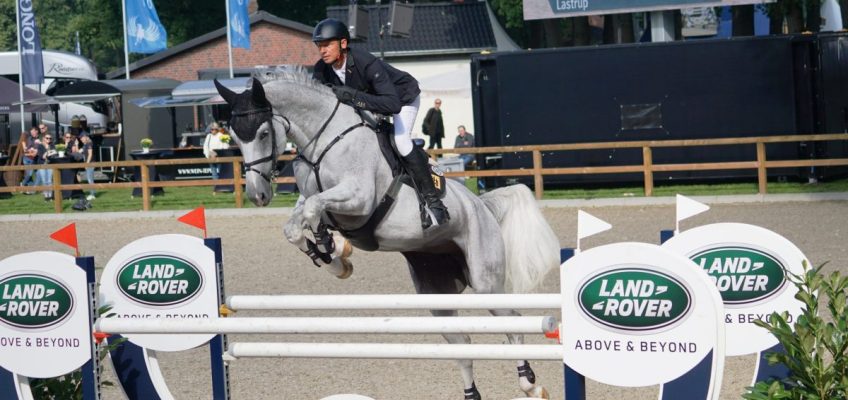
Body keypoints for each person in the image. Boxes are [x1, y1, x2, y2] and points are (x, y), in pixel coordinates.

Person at [311, 18, 449, 227]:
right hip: (371, 103)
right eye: (319, 46)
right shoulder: (321, 70)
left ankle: (433, 200)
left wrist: (353, 96)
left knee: (401, 142)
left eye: (327, 44)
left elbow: (392, 104)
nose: (322, 50)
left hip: (403, 98)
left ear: (343, 44)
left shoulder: (365, 62)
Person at [19, 127, 41, 194]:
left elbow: (36, 149)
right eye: (31, 132)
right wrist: (29, 149)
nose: (32, 133)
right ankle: (23, 185)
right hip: (27, 158)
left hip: (34, 159)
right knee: (29, 174)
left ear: (37, 131)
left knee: (36, 174)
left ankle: (31, 189)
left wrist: (31, 149)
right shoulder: (29, 138)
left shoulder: (39, 139)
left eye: (33, 132)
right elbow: (27, 149)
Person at [36, 133, 55, 200]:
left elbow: (54, 153)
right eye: (47, 138)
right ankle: (46, 196)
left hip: (50, 164)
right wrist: (48, 151)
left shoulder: (52, 145)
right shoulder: (40, 146)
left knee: (49, 180)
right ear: (44, 138)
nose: (49, 139)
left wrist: (49, 152)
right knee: (44, 181)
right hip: (42, 164)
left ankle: (50, 196)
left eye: (50, 138)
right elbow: (43, 156)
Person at [78, 134, 96, 200]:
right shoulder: (85, 145)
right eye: (80, 138)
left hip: (91, 163)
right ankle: (93, 192)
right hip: (88, 163)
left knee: (90, 178)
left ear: (86, 137)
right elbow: (79, 152)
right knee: (89, 178)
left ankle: (92, 194)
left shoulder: (89, 144)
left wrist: (87, 164)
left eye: (82, 138)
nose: (81, 139)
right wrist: (76, 144)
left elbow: (90, 154)